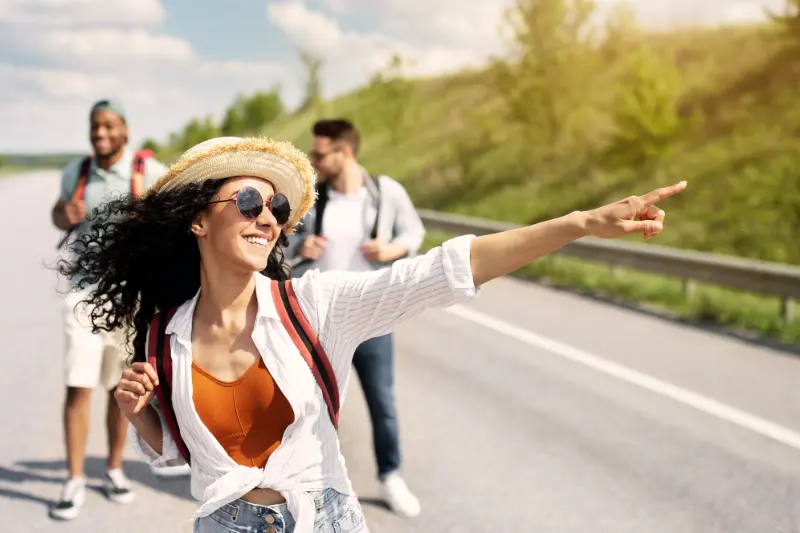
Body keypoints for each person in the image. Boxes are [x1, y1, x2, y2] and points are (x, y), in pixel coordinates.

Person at [57, 134, 686, 533]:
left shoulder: (314, 304)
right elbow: (181, 454)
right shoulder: (166, 333)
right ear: (198, 219)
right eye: (249, 201)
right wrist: (138, 415)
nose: (268, 218)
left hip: (324, 521)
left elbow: (444, 269)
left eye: (277, 209)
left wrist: (576, 224)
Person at [285, 119, 425, 517]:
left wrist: (392, 249)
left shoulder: (385, 192)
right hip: (319, 318)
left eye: (319, 153)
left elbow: (413, 234)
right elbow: (288, 240)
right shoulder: (314, 196)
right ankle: (309, 484)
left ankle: (391, 476)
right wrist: (302, 245)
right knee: (311, 406)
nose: (313, 160)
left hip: (373, 316)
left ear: (344, 152)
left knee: (382, 401)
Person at [49, 99, 176, 521]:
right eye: (94, 127)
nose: (99, 134)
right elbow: (58, 212)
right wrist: (64, 214)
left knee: (120, 388)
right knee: (77, 386)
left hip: (131, 299)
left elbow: (172, 223)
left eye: (108, 126)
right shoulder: (77, 172)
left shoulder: (149, 175)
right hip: (82, 296)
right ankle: (73, 479)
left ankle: (114, 468)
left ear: (125, 130)